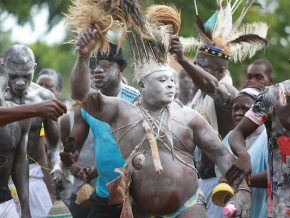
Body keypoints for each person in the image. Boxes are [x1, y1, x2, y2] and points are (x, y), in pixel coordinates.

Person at [61, 5, 252, 217]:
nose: (171, 85)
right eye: (162, 80)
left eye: (172, 80)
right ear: (142, 86)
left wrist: (243, 190)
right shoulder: (122, 112)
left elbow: (221, 154)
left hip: (188, 205)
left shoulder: (188, 117)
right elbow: (81, 95)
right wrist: (83, 56)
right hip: (138, 207)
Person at [169, 1, 268, 216]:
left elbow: (212, 86)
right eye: (195, 63)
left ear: (220, 69)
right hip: (201, 180)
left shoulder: (229, 93)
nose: (195, 70)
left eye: (200, 65)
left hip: (222, 183)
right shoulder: (197, 96)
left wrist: (182, 61)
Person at [61, 30, 140, 217]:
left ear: (121, 68)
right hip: (104, 195)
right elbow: (74, 146)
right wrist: (71, 158)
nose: (97, 69)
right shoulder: (86, 106)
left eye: (105, 64)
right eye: (94, 64)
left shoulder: (137, 100)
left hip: (136, 196)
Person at [3, 44, 66, 217]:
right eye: (14, 75)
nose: (20, 82)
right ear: (4, 69)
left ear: (34, 68)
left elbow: (55, 143)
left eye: (26, 75)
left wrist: (57, 166)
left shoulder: (45, 97)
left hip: (32, 174)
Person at [227, 79, 290, 217]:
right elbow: (237, 133)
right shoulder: (272, 95)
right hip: (281, 208)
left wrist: (287, 123)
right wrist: (243, 154)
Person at [215, 82, 268, 218]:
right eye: (235, 108)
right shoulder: (229, 137)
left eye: (245, 108)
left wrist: (235, 180)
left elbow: (276, 175)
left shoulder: (268, 138)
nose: (239, 112)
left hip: (258, 211)